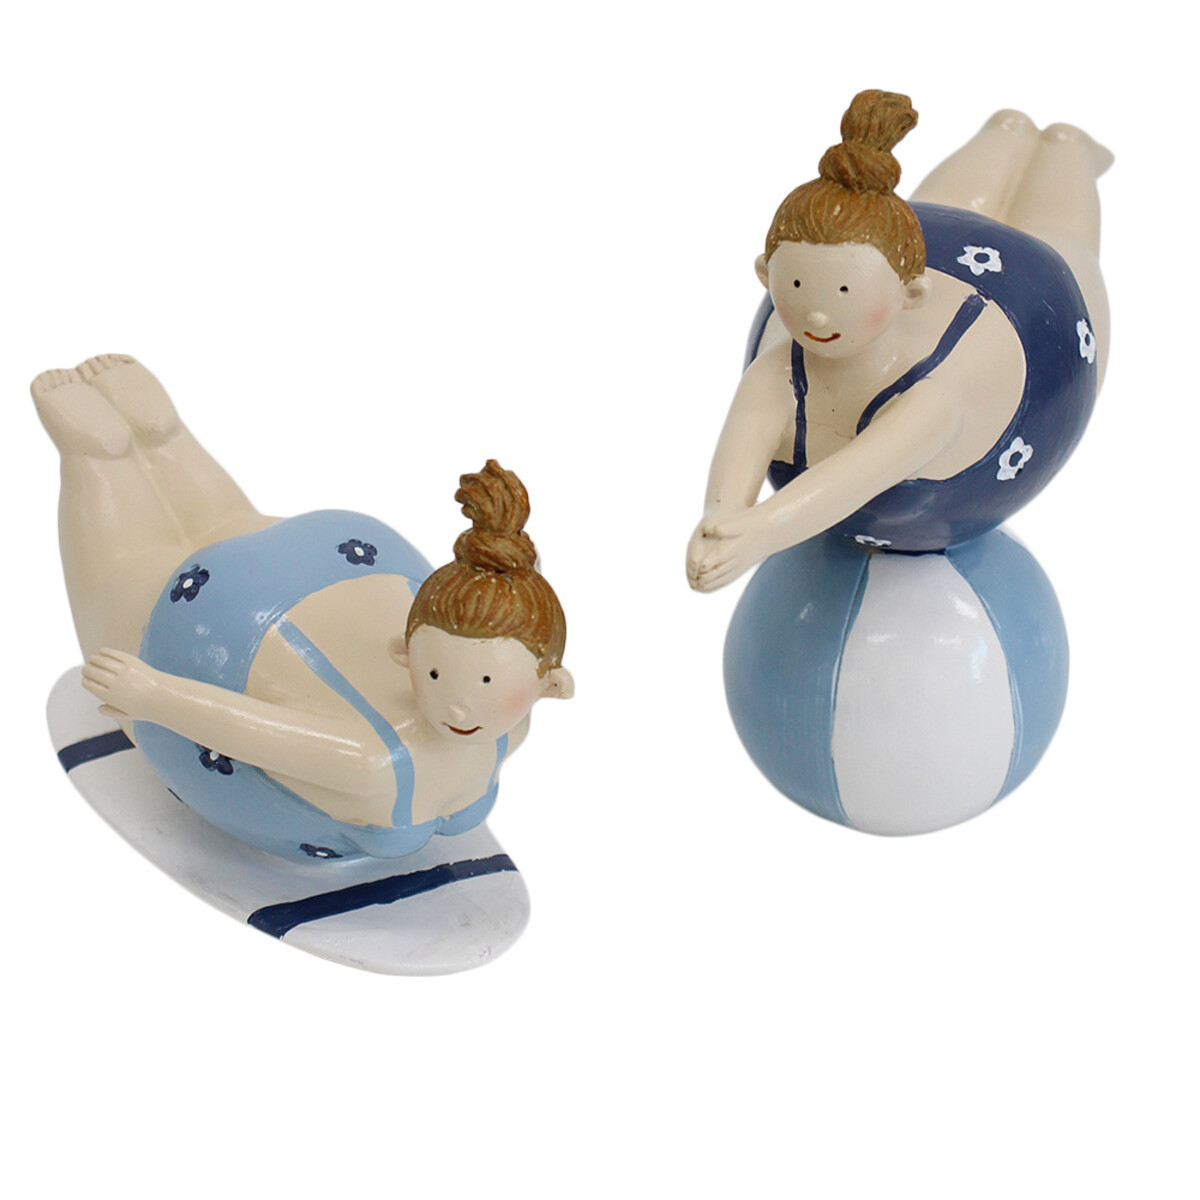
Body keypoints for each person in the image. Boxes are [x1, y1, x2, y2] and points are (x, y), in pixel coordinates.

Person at [33, 355, 573, 862]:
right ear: (405, 656)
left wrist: (151, 695)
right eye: (433, 673)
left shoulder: (506, 727)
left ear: (551, 684)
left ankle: (159, 438)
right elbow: (248, 731)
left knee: (225, 520)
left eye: (486, 683)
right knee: (121, 570)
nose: (456, 706)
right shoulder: (381, 763)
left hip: (335, 556)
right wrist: (150, 694)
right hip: (211, 631)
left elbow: (260, 731)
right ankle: (94, 456)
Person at [687, 90, 1110, 590]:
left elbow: (852, 479)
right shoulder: (778, 368)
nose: (818, 313)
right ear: (766, 274)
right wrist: (718, 526)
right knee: (950, 201)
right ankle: (1006, 130)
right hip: (915, 237)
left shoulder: (931, 397)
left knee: (1060, 231)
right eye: (796, 286)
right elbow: (738, 462)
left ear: (910, 294)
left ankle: (1069, 151)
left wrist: (755, 536)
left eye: (844, 293)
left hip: (1042, 308)